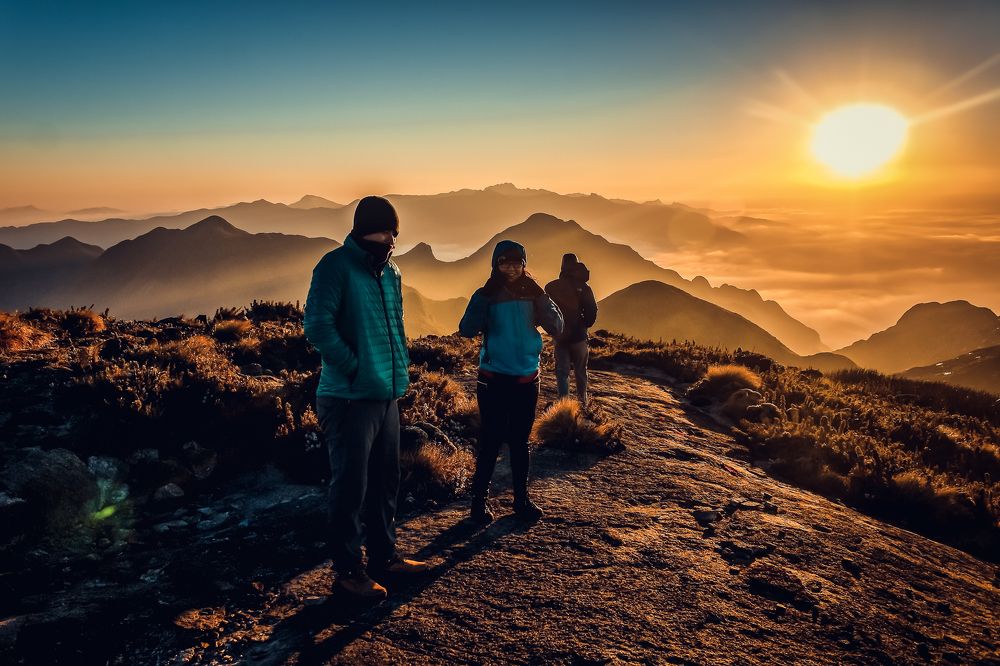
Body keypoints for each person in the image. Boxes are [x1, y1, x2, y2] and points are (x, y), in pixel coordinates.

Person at [303, 195, 428, 602]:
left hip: (386, 395)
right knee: (351, 485)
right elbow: (317, 326)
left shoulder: (391, 271)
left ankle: (383, 557)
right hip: (348, 397)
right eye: (382, 231)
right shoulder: (335, 267)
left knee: (385, 481)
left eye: (393, 232)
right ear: (362, 230)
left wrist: (397, 373)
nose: (389, 239)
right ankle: (347, 572)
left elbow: (397, 327)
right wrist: (355, 367)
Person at [459, 240, 564, 523]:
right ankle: (478, 505)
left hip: (527, 378)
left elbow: (557, 326)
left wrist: (541, 296)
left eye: (516, 262)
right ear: (495, 264)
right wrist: (484, 298)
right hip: (493, 378)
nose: (511, 268)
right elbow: (466, 329)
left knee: (519, 442)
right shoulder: (486, 294)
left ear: (524, 264)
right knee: (491, 441)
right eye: (504, 262)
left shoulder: (533, 294)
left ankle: (521, 501)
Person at [545, 253, 598, 407]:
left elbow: (546, 311)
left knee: (562, 372)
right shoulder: (585, 287)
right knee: (581, 371)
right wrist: (584, 325)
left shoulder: (551, 287)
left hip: (560, 337)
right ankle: (583, 402)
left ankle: (563, 404)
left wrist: (553, 329)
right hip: (579, 337)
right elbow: (592, 311)